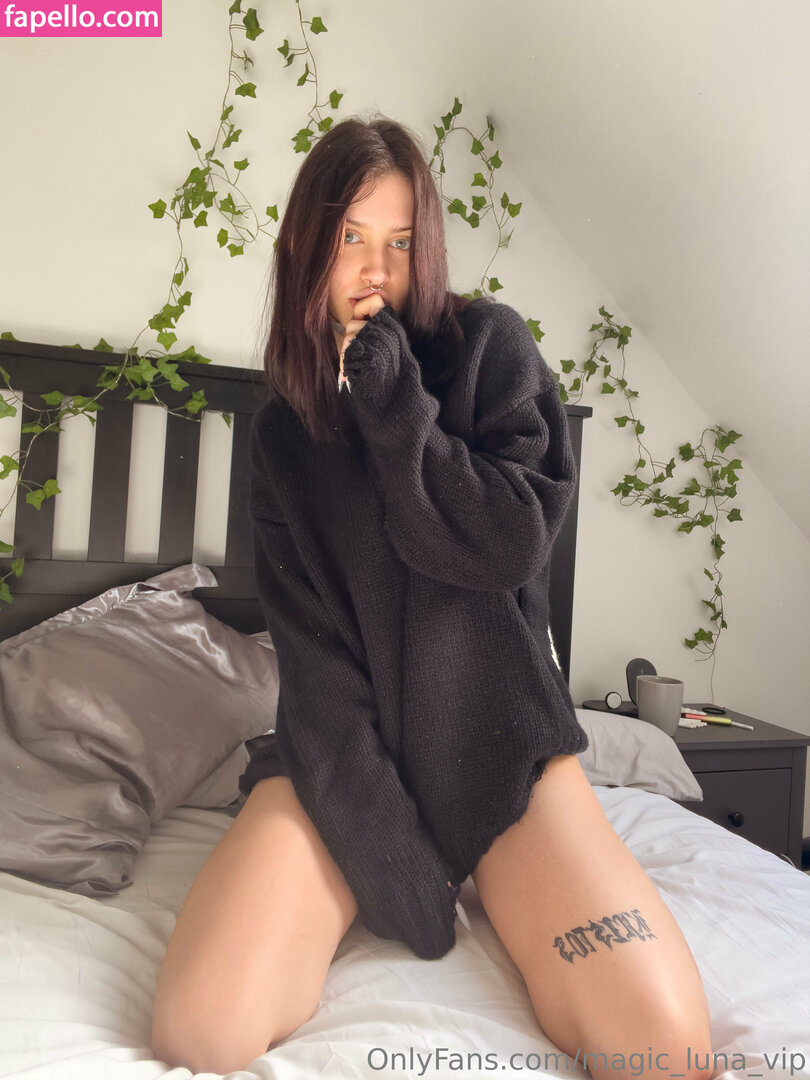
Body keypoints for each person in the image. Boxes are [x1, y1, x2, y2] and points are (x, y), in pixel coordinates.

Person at [150, 115, 714, 1078]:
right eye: (351, 238)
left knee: (664, 1050)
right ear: (308, 247)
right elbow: (318, 670)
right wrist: (396, 863)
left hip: (502, 747)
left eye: (402, 241)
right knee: (200, 1031)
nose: (377, 270)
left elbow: (507, 545)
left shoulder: (492, 348)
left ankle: (501, 868)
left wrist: (393, 404)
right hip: (344, 762)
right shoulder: (283, 438)